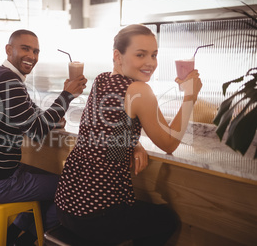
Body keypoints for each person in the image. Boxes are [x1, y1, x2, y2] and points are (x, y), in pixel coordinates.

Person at [55, 24, 202, 245]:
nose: (150, 63)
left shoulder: (101, 80)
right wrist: (190, 96)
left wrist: (133, 143)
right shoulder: (139, 90)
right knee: (167, 220)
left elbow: (106, 129)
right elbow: (169, 143)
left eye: (154, 55)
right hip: (97, 215)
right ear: (118, 56)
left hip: (66, 205)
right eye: (140, 55)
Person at [0, 29, 88, 245]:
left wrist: (54, 115)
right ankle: (34, 238)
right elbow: (35, 132)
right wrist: (67, 95)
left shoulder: (3, 76)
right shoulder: (10, 81)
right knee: (68, 186)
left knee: (40, 176)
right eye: (25, 48)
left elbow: (33, 116)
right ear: (9, 49)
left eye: (36, 51)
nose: (32, 56)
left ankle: (14, 234)